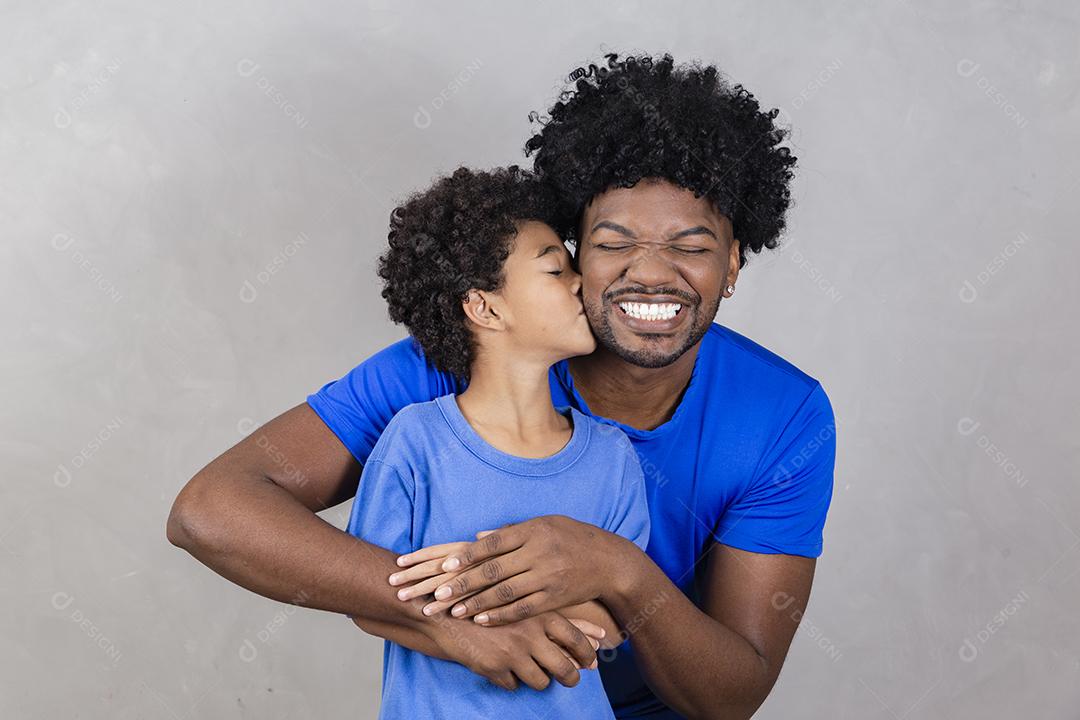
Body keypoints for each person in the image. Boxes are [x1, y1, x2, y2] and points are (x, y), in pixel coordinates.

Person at [168, 52, 836, 720]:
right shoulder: (451, 366)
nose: (651, 273)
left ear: (733, 265)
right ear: (574, 253)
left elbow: (731, 695)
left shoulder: (783, 415)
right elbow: (212, 509)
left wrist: (615, 567)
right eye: (613, 242)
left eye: (691, 246)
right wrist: (450, 623)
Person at [344, 165, 649, 718]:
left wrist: (466, 578)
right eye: (556, 270)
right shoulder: (415, 442)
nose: (582, 281)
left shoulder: (612, 457)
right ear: (485, 307)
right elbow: (369, 601)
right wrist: (522, 599)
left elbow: (615, 620)